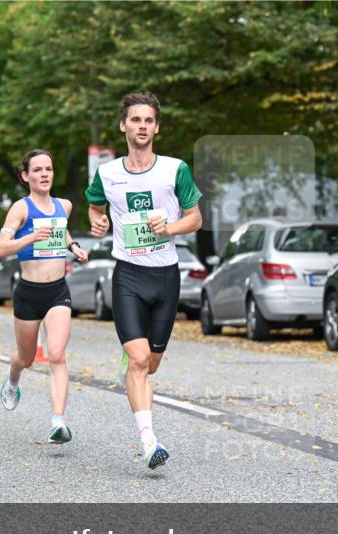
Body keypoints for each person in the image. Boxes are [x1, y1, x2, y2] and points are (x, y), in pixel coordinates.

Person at [86, 91, 202, 469]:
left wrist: (169, 227)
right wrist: (97, 221)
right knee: (137, 361)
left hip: (165, 276)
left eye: (149, 121)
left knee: (150, 365)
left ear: (157, 127)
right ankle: (149, 441)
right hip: (128, 275)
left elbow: (195, 218)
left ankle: (135, 363)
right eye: (136, 120)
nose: (142, 127)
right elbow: (95, 207)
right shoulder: (107, 173)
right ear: (124, 125)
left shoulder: (175, 169)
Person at [0, 149, 89, 443]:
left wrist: (74, 248)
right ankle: (13, 380)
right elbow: (0, 248)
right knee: (25, 358)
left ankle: (58, 421)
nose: (44, 174)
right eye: (37, 170)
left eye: (48, 169)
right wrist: (29, 238)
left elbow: (63, 233)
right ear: (25, 176)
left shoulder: (64, 205)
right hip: (28, 292)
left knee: (57, 354)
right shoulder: (20, 209)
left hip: (57, 291)